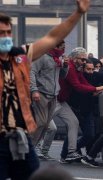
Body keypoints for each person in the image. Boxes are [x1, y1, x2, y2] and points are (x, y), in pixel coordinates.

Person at [0, 1, 90, 179]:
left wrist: (78, 13)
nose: (5, 37)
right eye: (1, 33)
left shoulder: (19, 56)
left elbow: (52, 38)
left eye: (8, 32)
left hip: (18, 137)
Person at [55, 47, 103, 163]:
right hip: (55, 100)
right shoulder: (71, 68)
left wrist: (94, 90)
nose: (84, 62)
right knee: (44, 126)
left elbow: (83, 82)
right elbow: (77, 86)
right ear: (74, 58)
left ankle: (70, 152)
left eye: (85, 59)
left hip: (63, 101)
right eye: (82, 59)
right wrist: (96, 88)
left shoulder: (77, 69)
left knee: (74, 124)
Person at [30, 40, 68, 161]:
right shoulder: (43, 56)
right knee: (40, 123)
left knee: (47, 125)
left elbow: (62, 76)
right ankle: (28, 149)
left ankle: (33, 149)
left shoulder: (58, 59)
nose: (64, 50)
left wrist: (65, 66)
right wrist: (34, 90)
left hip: (53, 95)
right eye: (62, 47)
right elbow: (31, 72)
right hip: (41, 93)